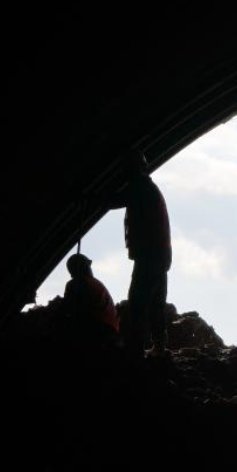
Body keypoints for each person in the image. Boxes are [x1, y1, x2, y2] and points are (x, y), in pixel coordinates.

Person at [105, 150, 172, 356]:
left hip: (149, 255)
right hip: (159, 254)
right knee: (156, 303)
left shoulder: (139, 186)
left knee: (138, 301)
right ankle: (159, 347)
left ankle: (135, 349)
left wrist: (97, 192)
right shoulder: (148, 186)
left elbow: (112, 201)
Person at [62, 252, 120, 337]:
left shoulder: (78, 283)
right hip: (109, 333)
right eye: (88, 265)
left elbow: (68, 310)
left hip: (98, 334)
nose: (90, 268)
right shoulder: (95, 283)